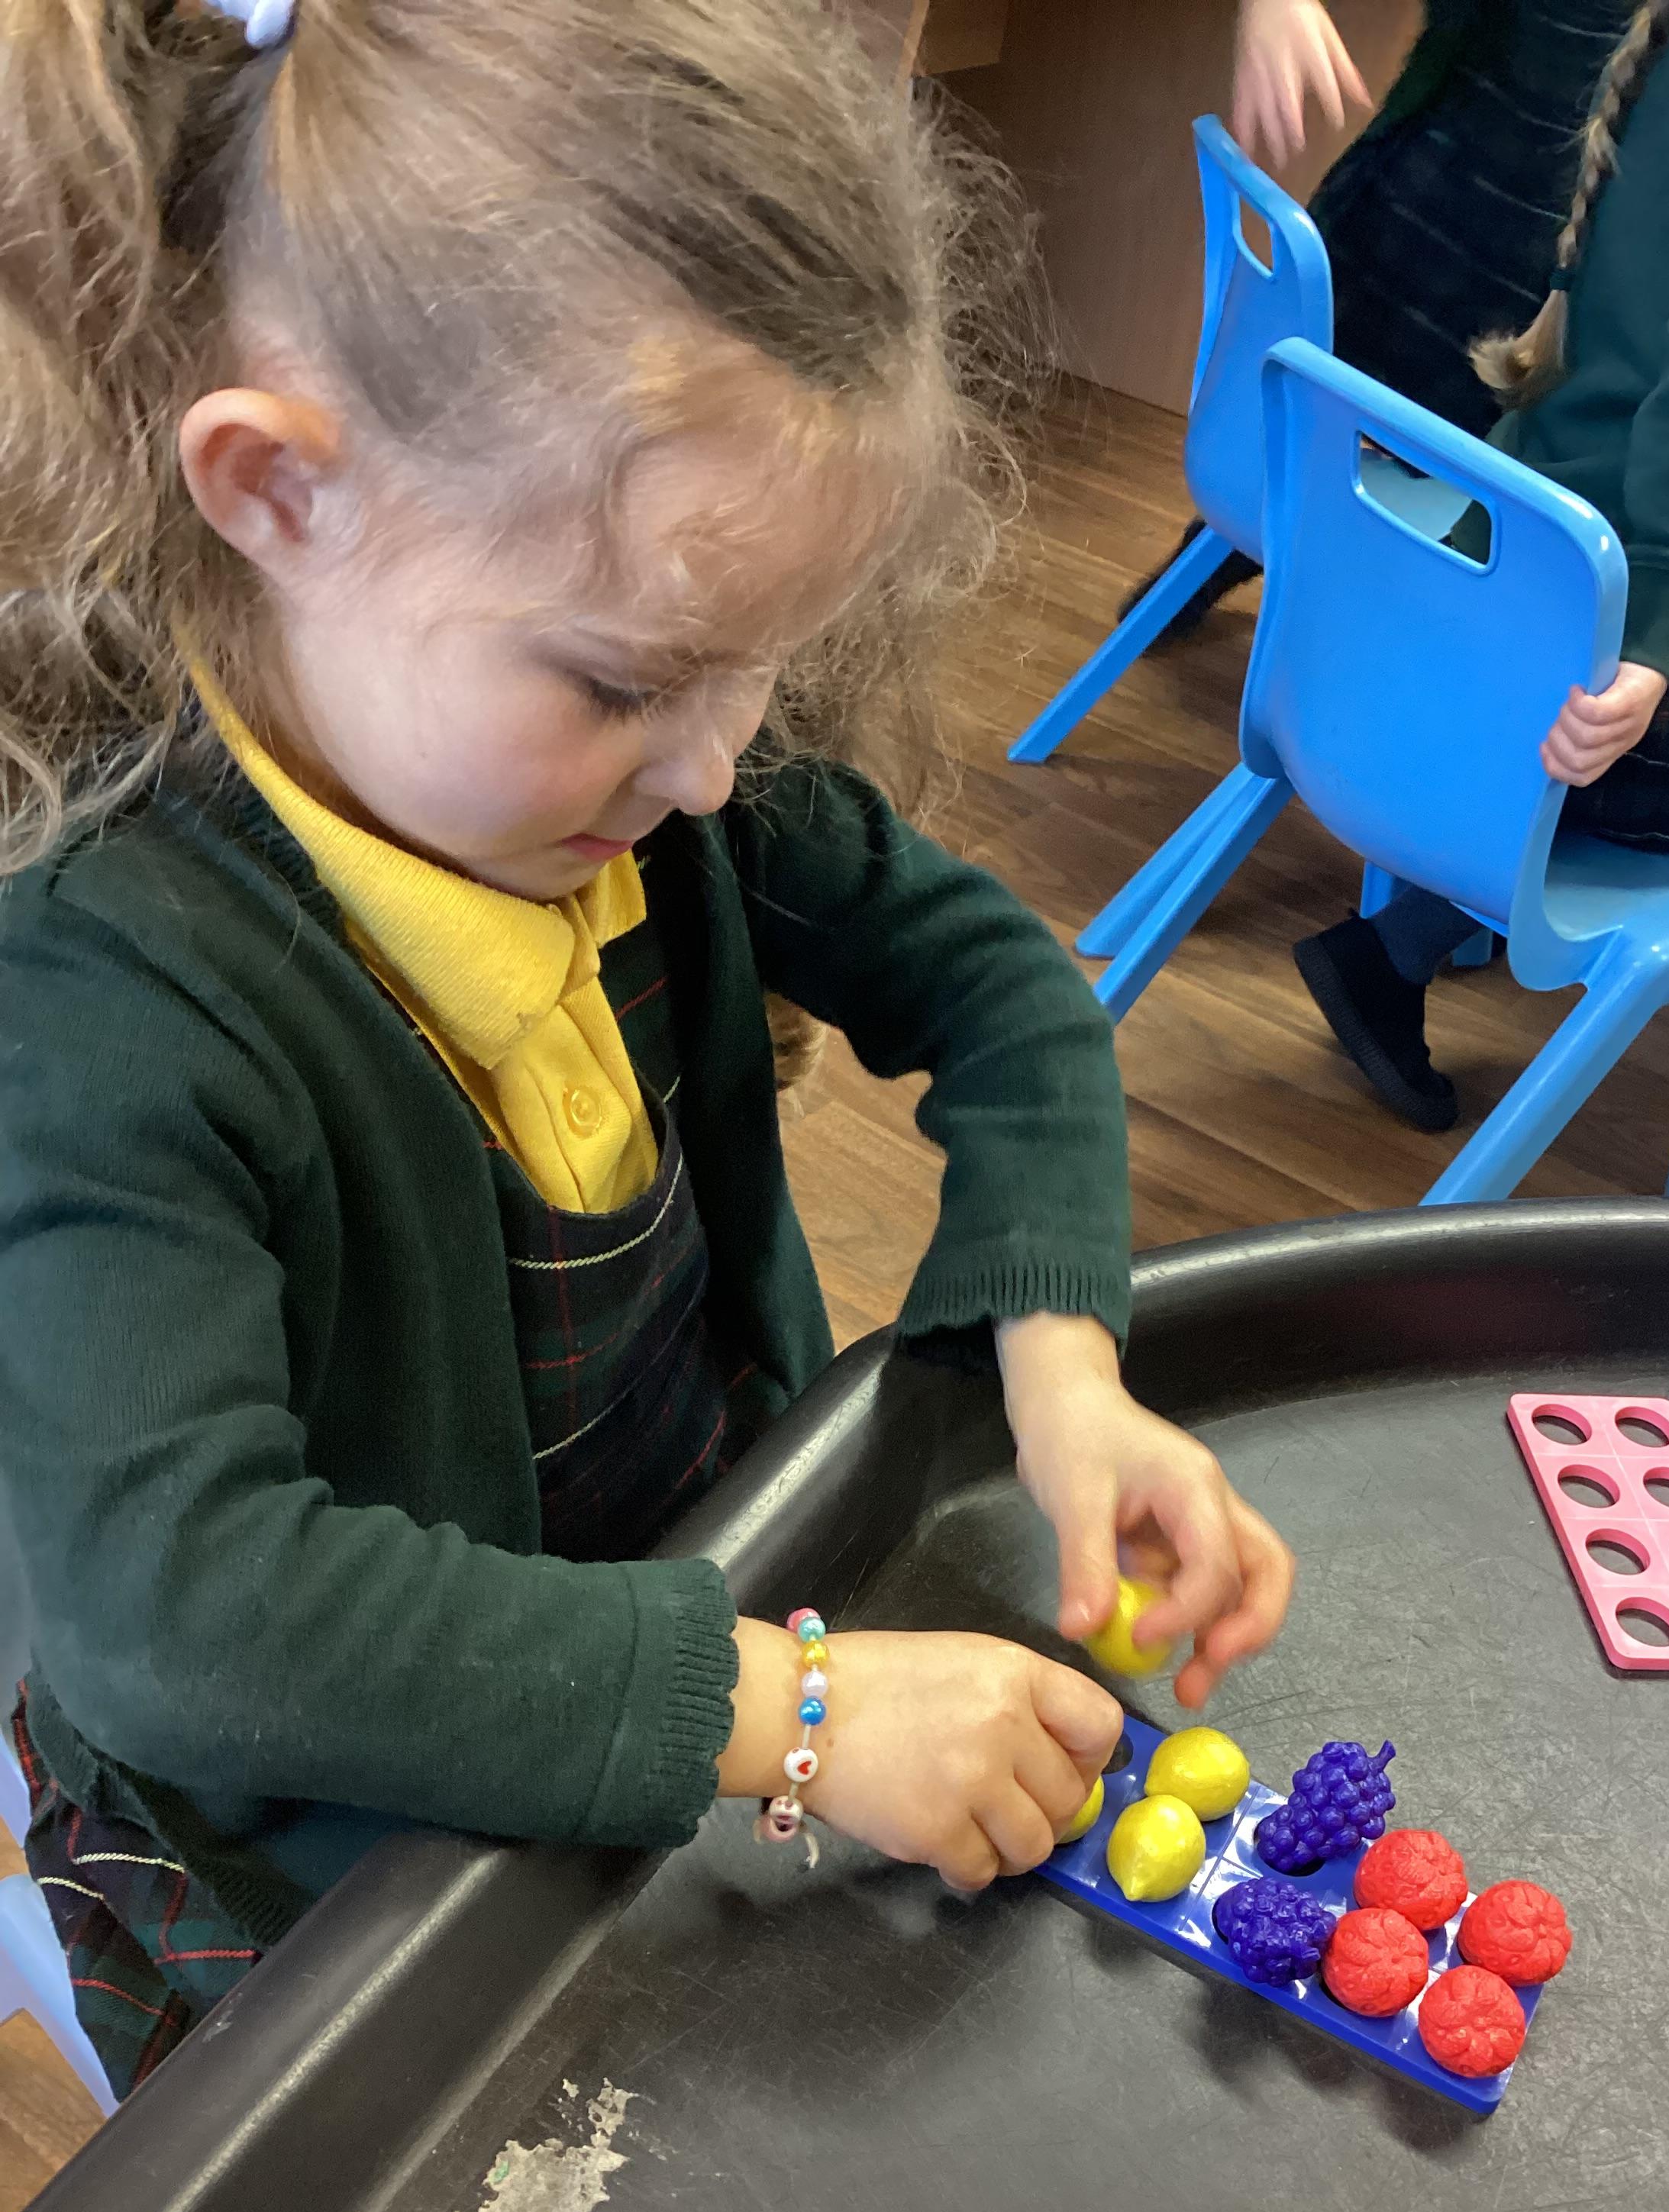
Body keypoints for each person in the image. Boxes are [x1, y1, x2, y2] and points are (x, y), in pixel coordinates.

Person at [0, 0, 1293, 2094]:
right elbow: (190, 1617)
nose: (710, 773)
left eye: (754, 672)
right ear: (275, 489)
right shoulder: (100, 998)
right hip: (331, 1861)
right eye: (626, 682)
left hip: (698, 1620)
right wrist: (795, 1716)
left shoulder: (638, 775)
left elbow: (999, 986)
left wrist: (1060, 1367)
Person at [1293, 0, 1669, 1130]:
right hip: (1621, 672)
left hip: (1520, 590)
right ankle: (1410, 934)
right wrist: (1660, 636)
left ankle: (1403, 940)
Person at [1125, 0, 1632, 640]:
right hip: (1417, 202)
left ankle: (1300, 576)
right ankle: (1238, 544)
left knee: (1465, 476)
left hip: (1536, 263)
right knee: (1323, 406)